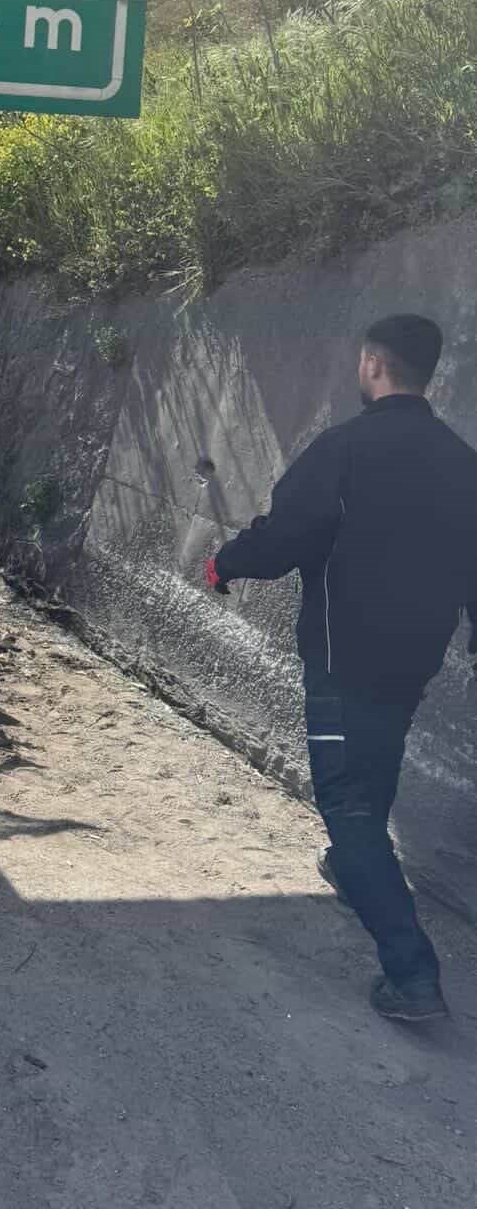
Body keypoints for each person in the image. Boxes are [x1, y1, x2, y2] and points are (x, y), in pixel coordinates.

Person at [206, 315, 477, 1023]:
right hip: (412, 663)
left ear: (374, 364)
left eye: (363, 362)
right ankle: (356, 869)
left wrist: (223, 563)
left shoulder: (345, 449)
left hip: (342, 663)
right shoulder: (463, 463)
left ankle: (412, 976)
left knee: (347, 804)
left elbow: (281, 539)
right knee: (374, 766)